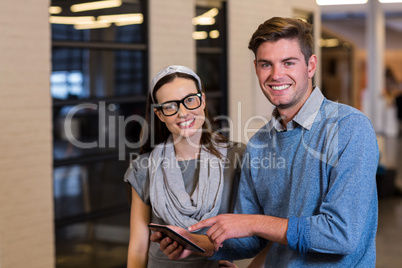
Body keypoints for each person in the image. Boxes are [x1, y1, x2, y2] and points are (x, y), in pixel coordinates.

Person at [151, 17, 379, 267]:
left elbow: (341, 235)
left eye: (288, 63)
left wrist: (253, 222)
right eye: (265, 64)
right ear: (256, 67)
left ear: (311, 65)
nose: (276, 75)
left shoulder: (350, 128)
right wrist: (199, 246)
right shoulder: (259, 143)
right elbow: (251, 241)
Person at [123, 65, 246, 267]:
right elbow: (138, 247)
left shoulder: (237, 158)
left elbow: (259, 229)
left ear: (202, 100)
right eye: (170, 106)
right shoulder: (144, 168)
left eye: (190, 100)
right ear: (160, 114)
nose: (183, 113)